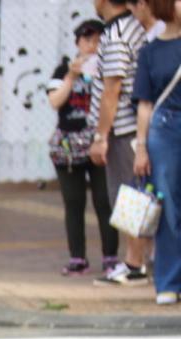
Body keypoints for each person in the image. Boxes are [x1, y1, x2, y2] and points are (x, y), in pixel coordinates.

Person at [48, 19, 120, 277]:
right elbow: (55, 101)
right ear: (77, 42)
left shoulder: (110, 68)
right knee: (73, 202)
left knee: (104, 200)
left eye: (98, 39)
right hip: (69, 144)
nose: (92, 45)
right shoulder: (62, 70)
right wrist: (71, 76)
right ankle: (77, 257)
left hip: (99, 141)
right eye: (87, 40)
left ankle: (111, 256)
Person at [90, 0, 150, 286]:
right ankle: (137, 261)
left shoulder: (115, 36)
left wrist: (101, 136)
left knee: (128, 196)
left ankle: (134, 264)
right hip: (134, 128)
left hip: (124, 129)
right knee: (134, 194)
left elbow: (111, 90)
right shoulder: (132, 26)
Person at [132, 0, 181, 304]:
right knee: (168, 207)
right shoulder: (148, 53)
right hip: (163, 130)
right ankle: (168, 281)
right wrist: (140, 148)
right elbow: (145, 104)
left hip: (166, 129)